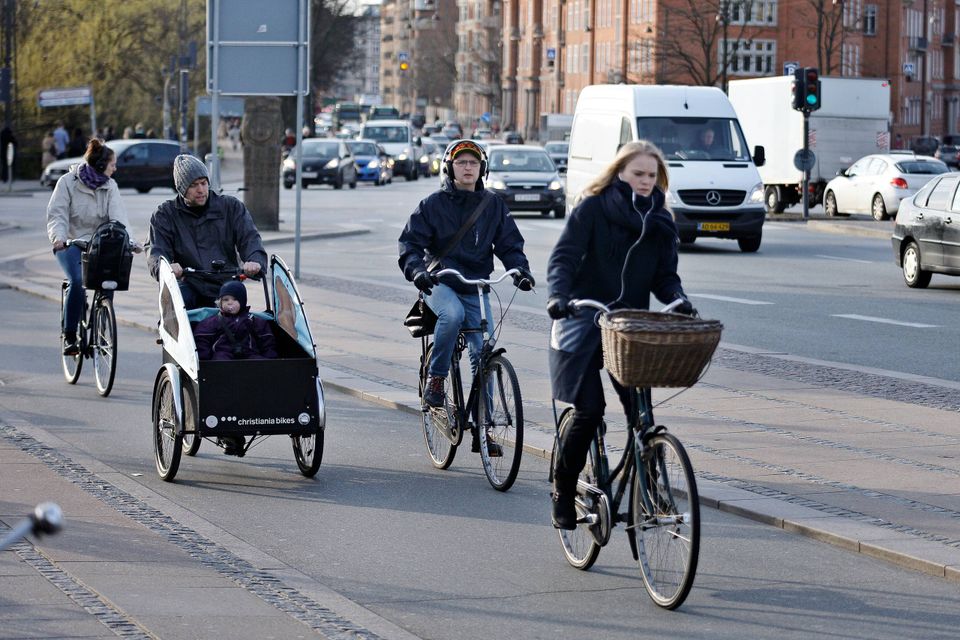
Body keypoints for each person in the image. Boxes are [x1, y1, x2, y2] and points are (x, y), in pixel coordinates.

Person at [544, 140, 696, 529]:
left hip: (626, 329)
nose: (645, 181)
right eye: (638, 174)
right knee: (590, 410)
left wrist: (678, 299)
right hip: (581, 318)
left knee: (642, 415)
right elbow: (564, 257)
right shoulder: (593, 208)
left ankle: (653, 491)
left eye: (652, 175)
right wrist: (559, 296)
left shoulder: (660, 219)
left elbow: (665, 276)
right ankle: (563, 489)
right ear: (619, 173)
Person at [398, 139, 535, 423]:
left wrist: (520, 270)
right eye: (461, 162)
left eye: (473, 162)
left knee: (483, 351)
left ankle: (484, 425)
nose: (468, 167)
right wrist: (417, 271)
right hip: (440, 282)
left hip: (476, 285)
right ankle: (436, 379)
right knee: (452, 315)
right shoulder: (432, 204)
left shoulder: (493, 204)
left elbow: (509, 244)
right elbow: (410, 244)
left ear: (482, 169)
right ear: (450, 168)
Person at [46, 138, 142, 355]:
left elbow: (119, 218)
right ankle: (70, 336)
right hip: (71, 243)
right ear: (100, 165)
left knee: (109, 281)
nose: (115, 168)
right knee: (77, 281)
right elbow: (57, 214)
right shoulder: (67, 182)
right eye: (112, 164)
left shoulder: (110, 186)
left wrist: (130, 241)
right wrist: (59, 237)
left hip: (100, 245)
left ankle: (102, 328)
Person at [147, 154, 267, 309]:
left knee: (239, 309)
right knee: (178, 302)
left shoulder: (231, 207)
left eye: (204, 183)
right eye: (193, 185)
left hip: (225, 282)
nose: (201, 190)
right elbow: (156, 251)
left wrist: (255, 260)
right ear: (182, 189)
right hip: (188, 283)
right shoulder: (165, 214)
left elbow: (250, 238)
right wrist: (165, 267)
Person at [193, 280, 278, 361]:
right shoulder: (212, 322)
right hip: (223, 355)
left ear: (242, 301)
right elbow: (201, 340)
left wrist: (270, 360)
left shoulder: (254, 321)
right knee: (220, 359)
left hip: (249, 354)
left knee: (259, 362)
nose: (230, 303)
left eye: (235, 299)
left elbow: (267, 341)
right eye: (226, 299)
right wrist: (205, 360)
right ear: (220, 302)